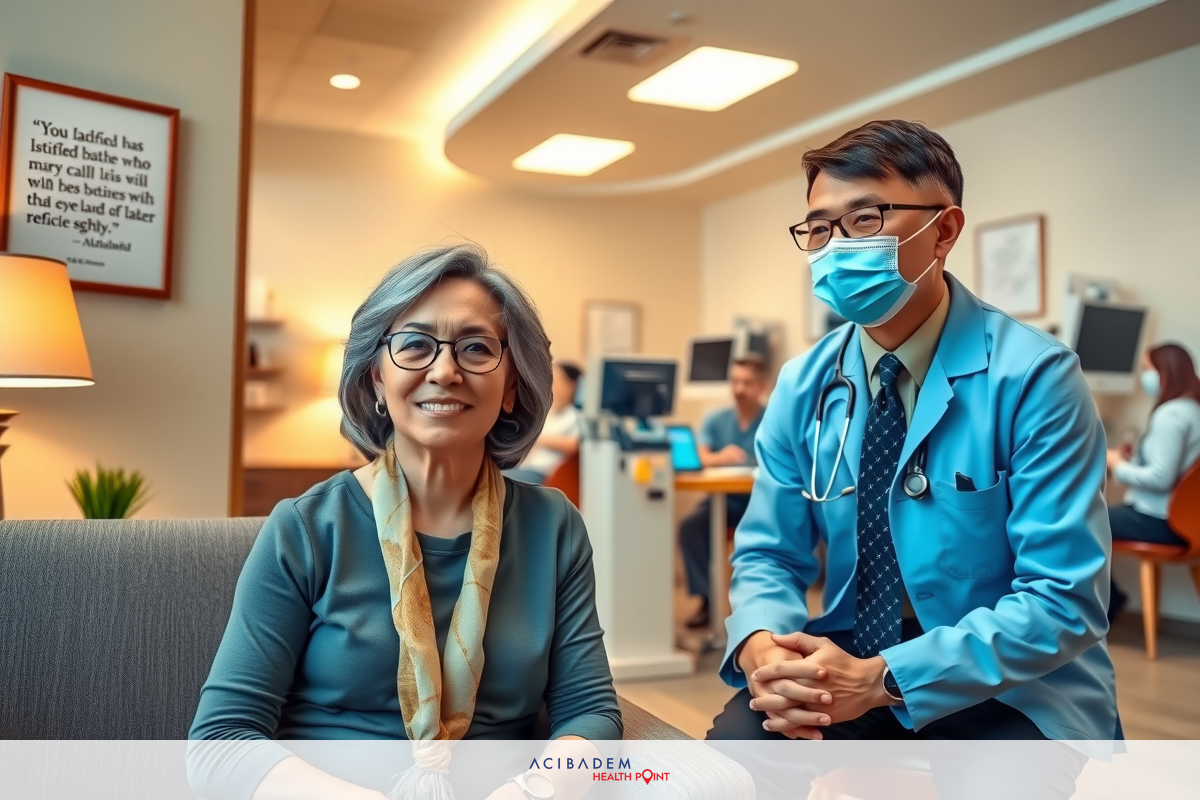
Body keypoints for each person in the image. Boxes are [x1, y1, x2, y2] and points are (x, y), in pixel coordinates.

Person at [707, 120, 1117, 753]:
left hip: (1010, 681)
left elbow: (1063, 599)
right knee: (731, 763)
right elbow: (768, 554)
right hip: (844, 655)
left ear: (944, 231)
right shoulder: (802, 384)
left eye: (866, 218)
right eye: (820, 228)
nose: (836, 247)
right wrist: (765, 648)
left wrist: (887, 679)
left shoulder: (1034, 375)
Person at [189, 245, 620, 800]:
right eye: (414, 345)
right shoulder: (306, 527)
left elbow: (590, 712)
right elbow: (221, 742)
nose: (444, 370)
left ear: (513, 385)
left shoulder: (553, 525)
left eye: (476, 348)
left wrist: (530, 791)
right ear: (375, 378)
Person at [1106, 343, 1200, 620]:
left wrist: (1117, 465)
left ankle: (1109, 603)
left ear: (1164, 372)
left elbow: (1160, 478)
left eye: (1148, 370)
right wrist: (1135, 458)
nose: (1145, 378)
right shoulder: (1193, 409)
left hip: (1159, 521)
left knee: (1080, 522)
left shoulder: (1171, 415)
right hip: (1187, 522)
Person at [678, 356, 769, 628]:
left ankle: (760, 607)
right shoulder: (716, 419)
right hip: (723, 500)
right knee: (691, 528)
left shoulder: (772, 418)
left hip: (760, 503)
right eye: (735, 382)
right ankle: (708, 600)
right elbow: (699, 457)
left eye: (747, 383)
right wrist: (722, 456)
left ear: (761, 387)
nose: (740, 389)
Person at [505, 361, 584, 484]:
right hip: (526, 467)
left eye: (557, 380)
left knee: (501, 482)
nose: (552, 385)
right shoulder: (547, 414)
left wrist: (540, 439)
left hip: (545, 473)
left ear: (571, 386)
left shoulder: (576, 416)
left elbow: (575, 445)